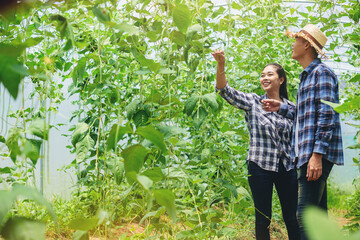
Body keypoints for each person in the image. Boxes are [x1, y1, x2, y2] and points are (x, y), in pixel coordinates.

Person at [262, 24, 344, 240]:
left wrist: (317, 154)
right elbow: (306, 114)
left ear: (306, 45)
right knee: (317, 216)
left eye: (296, 40)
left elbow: (327, 114)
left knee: (304, 217)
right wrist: (281, 107)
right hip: (307, 154)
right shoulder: (308, 76)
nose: (292, 44)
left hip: (314, 154)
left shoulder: (322, 73)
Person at [212, 50, 300, 240]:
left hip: (287, 166)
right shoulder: (253, 101)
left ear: (281, 80)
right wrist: (221, 65)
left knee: (292, 217)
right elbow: (225, 91)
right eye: (262, 75)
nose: (264, 78)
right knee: (262, 219)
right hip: (260, 165)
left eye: (270, 74)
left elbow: (300, 133)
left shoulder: (291, 107)